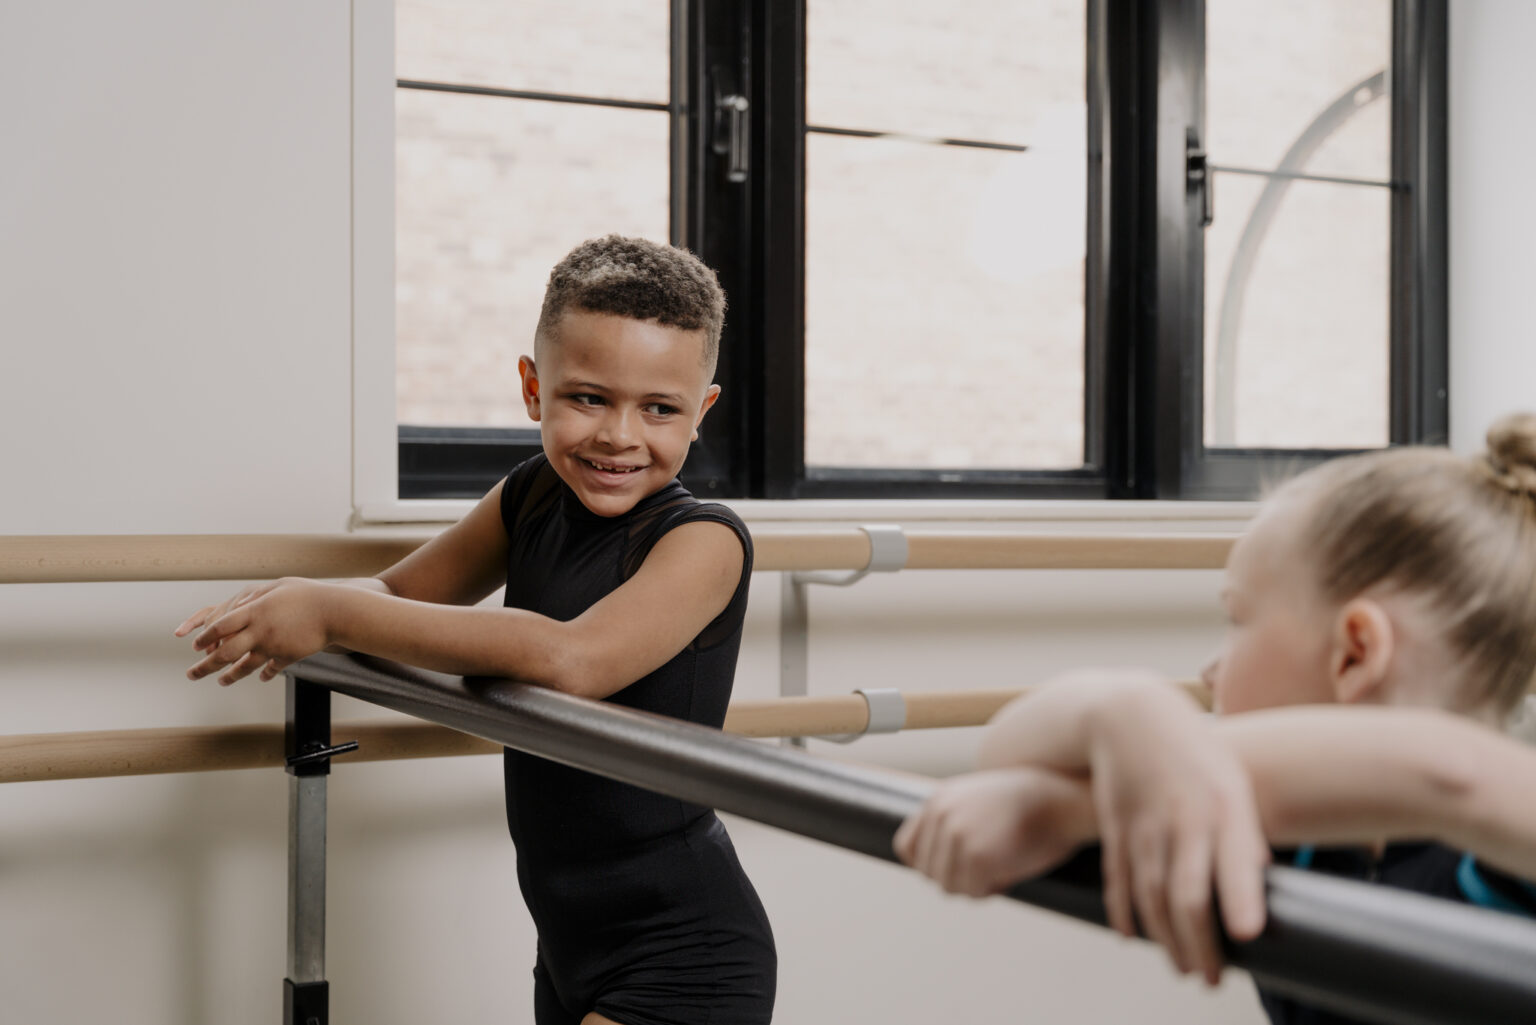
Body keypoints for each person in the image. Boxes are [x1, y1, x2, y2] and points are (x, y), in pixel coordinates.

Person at [174, 235, 776, 1025]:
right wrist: (297, 598)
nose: (619, 435)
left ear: (701, 413)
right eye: (588, 397)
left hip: (684, 953)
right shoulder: (527, 496)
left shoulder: (703, 541)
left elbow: (573, 659)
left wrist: (326, 609)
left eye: (659, 408)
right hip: (566, 949)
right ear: (533, 387)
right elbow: (396, 592)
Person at [895, 413, 1536, 1020]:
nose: (1209, 670)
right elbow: (1005, 753)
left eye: (1237, 619)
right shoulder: (1289, 830)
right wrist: (1122, 711)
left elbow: (1444, 770)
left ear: (1355, 654)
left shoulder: (1509, 845)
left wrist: (1069, 807)